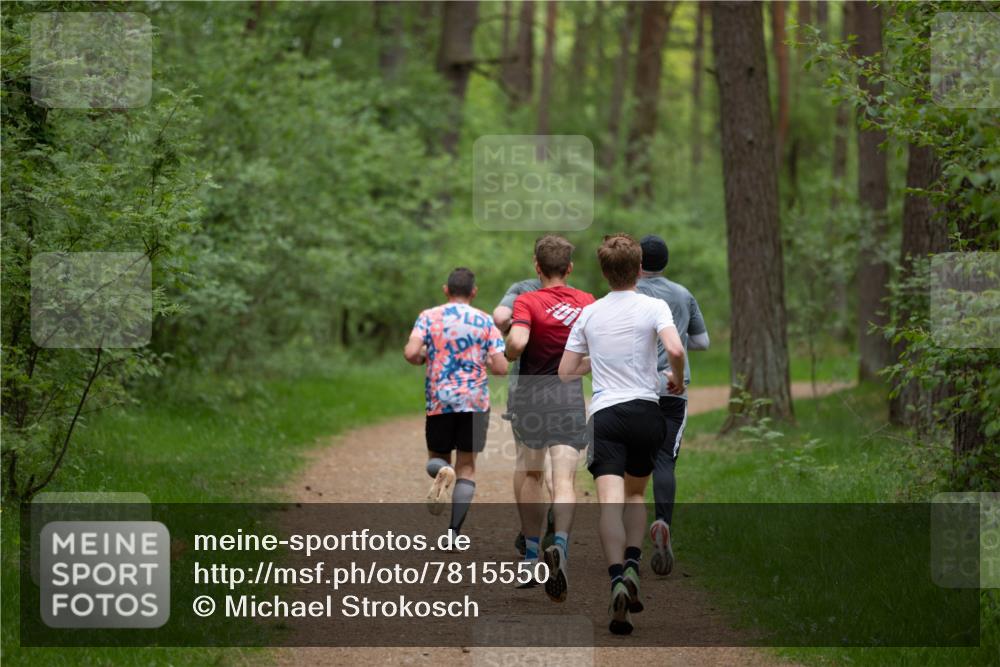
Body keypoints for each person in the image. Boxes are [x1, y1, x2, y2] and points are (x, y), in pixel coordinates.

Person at [558, 234, 685, 635]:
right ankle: (633, 565)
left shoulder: (590, 314)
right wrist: (676, 380)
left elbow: (565, 371)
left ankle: (615, 579)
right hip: (647, 412)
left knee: (609, 502)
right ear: (638, 269)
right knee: (635, 495)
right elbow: (677, 350)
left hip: (606, 415)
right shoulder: (655, 305)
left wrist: (597, 364)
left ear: (604, 271)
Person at [503, 235, 594, 601]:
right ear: (569, 268)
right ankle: (562, 547)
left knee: (531, 471)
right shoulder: (587, 302)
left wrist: (508, 351)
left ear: (537, 267)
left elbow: (519, 342)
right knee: (566, 478)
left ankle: (529, 557)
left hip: (531, 398)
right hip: (568, 397)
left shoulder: (527, 300)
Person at [404, 267, 508, 537]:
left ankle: (444, 470)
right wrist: (485, 359)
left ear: (446, 290)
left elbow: (411, 352)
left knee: (436, 459)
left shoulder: (428, 317)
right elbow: (500, 368)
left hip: (440, 400)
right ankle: (453, 533)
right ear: (474, 292)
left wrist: (424, 357)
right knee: (468, 467)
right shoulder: (486, 322)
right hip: (474, 403)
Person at [636, 234, 710, 576]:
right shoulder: (682, 294)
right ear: (665, 263)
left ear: (638, 263)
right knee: (665, 460)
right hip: (673, 389)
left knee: (632, 465)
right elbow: (702, 341)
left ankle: (627, 545)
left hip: (635, 388)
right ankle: (662, 522)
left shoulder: (629, 294)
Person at [493, 277, 557, 556]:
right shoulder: (576, 297)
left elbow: (500, 316)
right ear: (568, 267)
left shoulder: (522, 290)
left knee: (528, 465)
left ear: (537, 264)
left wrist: (509, 333)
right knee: (561, 469)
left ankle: (528, 532)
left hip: (526, 389)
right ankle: (558, 523)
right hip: (565, 392)